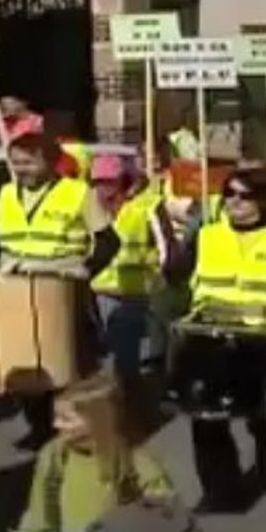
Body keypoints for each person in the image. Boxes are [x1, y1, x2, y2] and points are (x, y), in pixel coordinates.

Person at [163, 168, 266, 516]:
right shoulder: (207, 235)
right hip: (208, 337)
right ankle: (221, 492)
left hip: (260, 341)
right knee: (207, 419)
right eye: (229, 194)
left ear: (263, 201)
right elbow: (173, 275)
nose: (234, 203)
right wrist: (180, 240)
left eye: (244, 196)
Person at [14, 367, 175, 532]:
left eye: (66, 419)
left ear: (96, 420)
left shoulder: (136, 460)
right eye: (56, 418)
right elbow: (41, 509)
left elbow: (164, 512)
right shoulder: (54, 455)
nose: (56, 426)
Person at [0, 132, 122, 449]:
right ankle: (39, 428)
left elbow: (108, 242)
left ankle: (80, 427)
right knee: (26, 362)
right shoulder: (7, 193)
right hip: (17, 289)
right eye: (15, 162)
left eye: (28, 162)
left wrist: (84, 271)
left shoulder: (77, 193)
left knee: (71, 362)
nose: (21, 169)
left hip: (63, 286)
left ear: (49, 162)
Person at [88, 154, 173, 399]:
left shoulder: (145, 207)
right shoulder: (91, 209)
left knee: (125, 351)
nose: (103, 188)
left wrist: (158, 274)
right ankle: (117, 395)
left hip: (134, 290)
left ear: (124, 181)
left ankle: (128, 398)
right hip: (100, 289)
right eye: (98, 182)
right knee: (105, 350)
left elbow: (165, 246)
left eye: (109, 182)